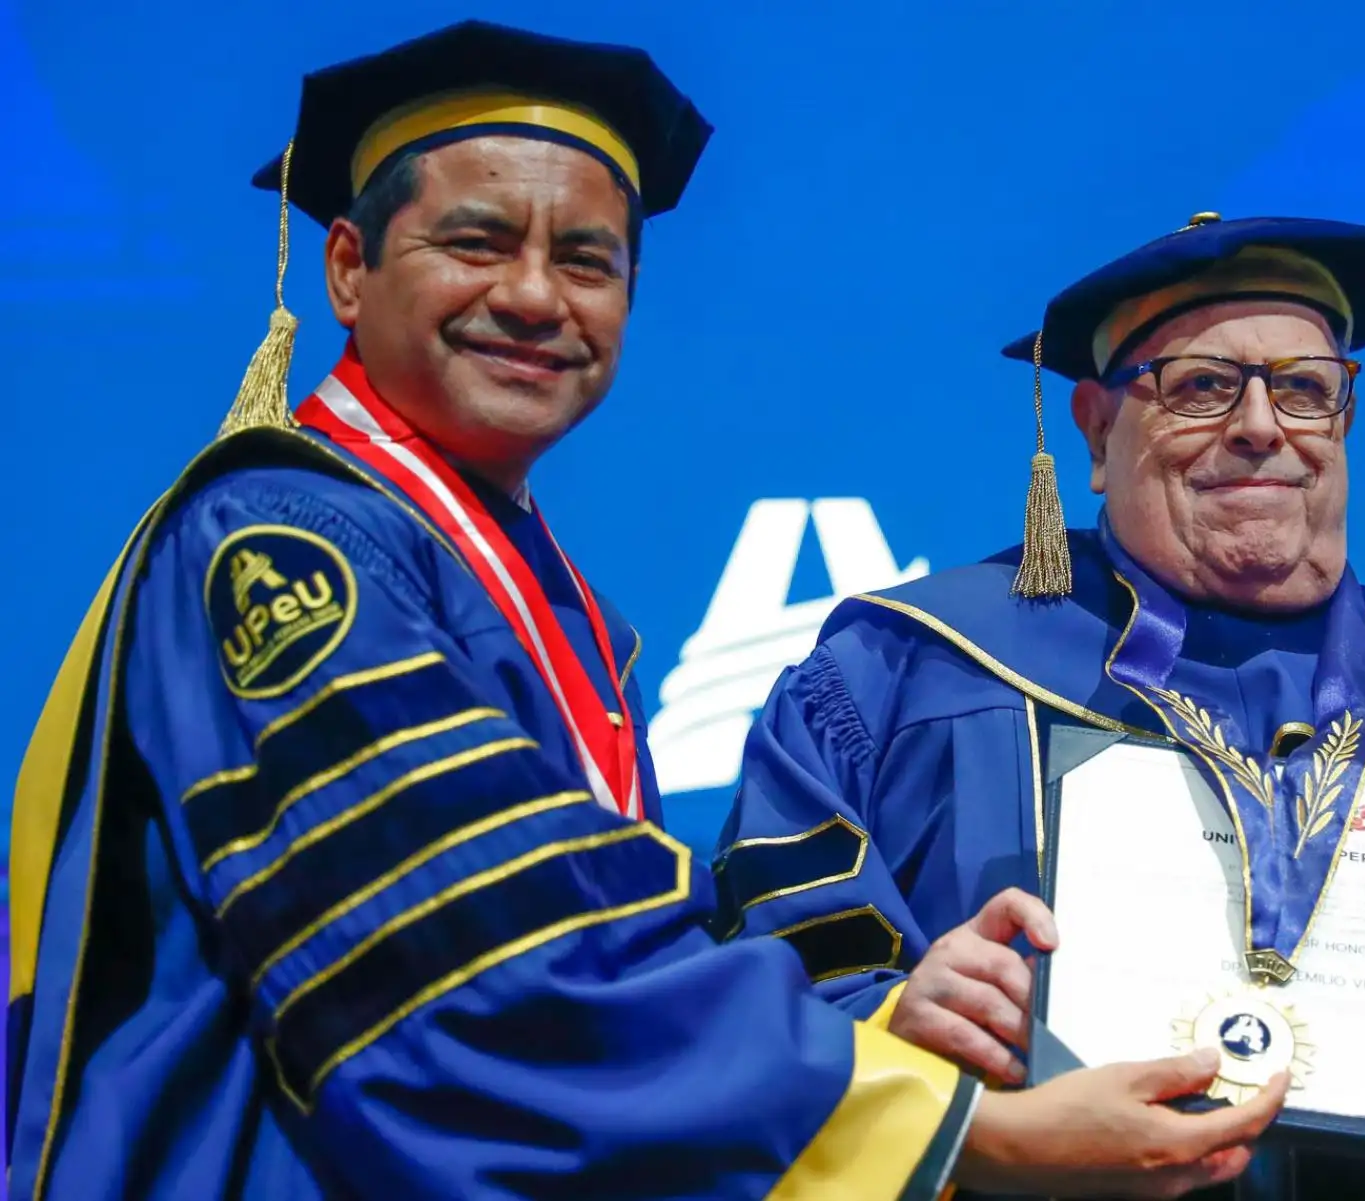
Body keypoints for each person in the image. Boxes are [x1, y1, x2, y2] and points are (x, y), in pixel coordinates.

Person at [4, 30, 1290, 1199]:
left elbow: (590, 955)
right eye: (474, 241)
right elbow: (476, 973)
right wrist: (964, 1129)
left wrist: (877, 1034)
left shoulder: (537, 592)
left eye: (586, 260)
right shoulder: (293, 543)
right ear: (347, 267)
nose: (533, 296)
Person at [716, 213, 1365, 1198]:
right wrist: (902, 1022)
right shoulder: (901, 681)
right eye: (1203, 384)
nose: (1263, 427)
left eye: (1305, 389)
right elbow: (740, 1011)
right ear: (1094, 426)